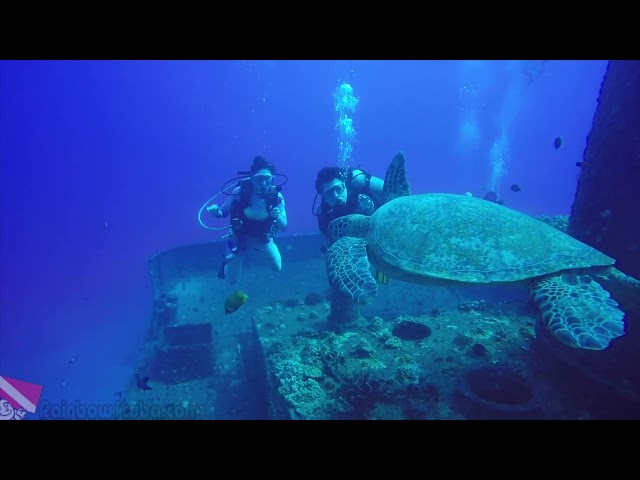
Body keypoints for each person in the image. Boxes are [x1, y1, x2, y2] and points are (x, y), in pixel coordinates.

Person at [207, 155, 287, 284]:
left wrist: (277, 217)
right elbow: (223, 212)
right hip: (238, 238)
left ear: (272, 179)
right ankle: (226, 262)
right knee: (231, 280)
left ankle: (243, 254)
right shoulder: (240, 192)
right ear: (251, 178)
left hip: (264, 239)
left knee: (277, 268)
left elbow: (283, 227)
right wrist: (216, 212)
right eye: (259, 179)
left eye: (267, 179)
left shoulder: (276, 197)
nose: (263, 183)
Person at [313, 165, 385, 248]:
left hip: (385, 217)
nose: (336, 196)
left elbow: (392, 190)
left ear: (344, 183)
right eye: (329, 194)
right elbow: (327, 243)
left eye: (338, 189)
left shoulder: (358, 180)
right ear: (324, 198)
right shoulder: (323, 213)